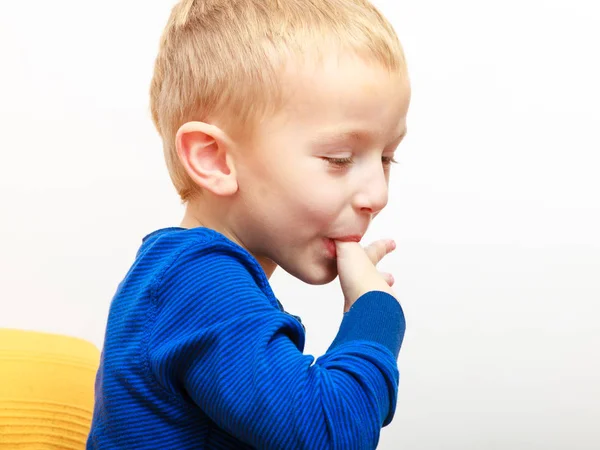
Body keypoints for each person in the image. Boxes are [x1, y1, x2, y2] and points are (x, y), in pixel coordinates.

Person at [87, 0, 411, 448]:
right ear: (215, 159)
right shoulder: (195, 282)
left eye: (387, 157)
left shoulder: (191, 278)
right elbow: (330, 434)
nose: (378, 194)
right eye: (339, 159)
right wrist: (375, 311)